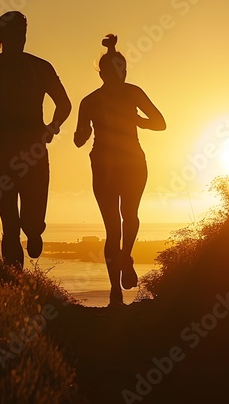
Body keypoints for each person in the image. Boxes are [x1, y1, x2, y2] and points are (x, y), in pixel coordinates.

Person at [0, 11, 71, 268]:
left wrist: (53, 127)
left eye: (23, 33)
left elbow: (64, 104)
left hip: (34, 154)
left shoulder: (40, 68)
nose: (21, 39)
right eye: (15, 34)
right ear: (2, 36)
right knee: (10, 226)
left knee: (31, 222)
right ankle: (15, 284)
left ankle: (34, 231)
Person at [74, 34, 166, 306]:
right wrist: (84, 131)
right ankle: (117, 284)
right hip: (111, 163)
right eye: (116, 70)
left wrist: (136, 119)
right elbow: (78, 139)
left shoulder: (129, 93)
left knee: (123, 220)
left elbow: (160, 123)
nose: (120, 74)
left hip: (126, 162)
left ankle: (122, 268)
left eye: (123, 70)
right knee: (117, 225)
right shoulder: (92, 101)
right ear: (102, 73)